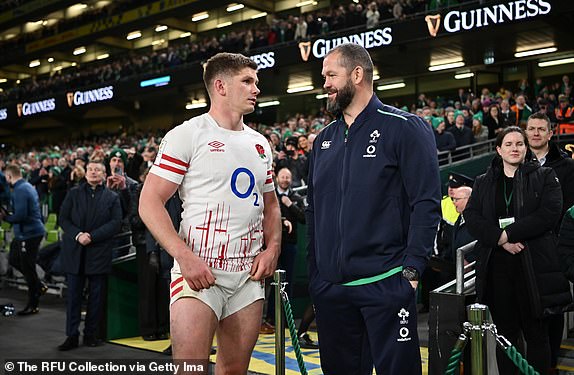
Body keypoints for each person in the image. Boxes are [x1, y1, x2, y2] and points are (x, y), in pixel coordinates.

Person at [138, 52, 281, 371]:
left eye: (256, 81)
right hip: (200, 272)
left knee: (234, 370)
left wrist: (273, 248)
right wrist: (184, 257)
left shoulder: (260, 143)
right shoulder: (187, 134)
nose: (256, 88)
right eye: (247, 81)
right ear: (220, 86)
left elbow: (271, 205)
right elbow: (149, 203)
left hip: (248, 275)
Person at [306, 43, 441, 374]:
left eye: (331, 75)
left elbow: (426, 202)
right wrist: (316, 277)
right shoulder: (323, 140)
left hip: (387, 283)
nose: (325, 83)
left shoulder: (404, 127)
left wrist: (411, 271)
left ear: (357, 74)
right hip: (332, 290)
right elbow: (314, 212)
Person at [464, 126, 572, 374]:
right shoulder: (483, 182)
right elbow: (471, 216)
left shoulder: (545, 175)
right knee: (505, 336)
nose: (515, 148)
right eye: (509, 144)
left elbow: (549, 213)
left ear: (526, 149)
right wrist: (500, 239)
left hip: (533, 266)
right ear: (498, 149)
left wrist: (507, 234)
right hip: (498, 268)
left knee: (536, 334)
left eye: (520, 144)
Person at [525, 112, 574, 372]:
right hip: (523, 250)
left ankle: (551, 364)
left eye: (540, 129)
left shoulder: (567, 167)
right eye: (531, 128)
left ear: (550, 133)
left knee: (553, 310)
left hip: (553, 251)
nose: (535, 133)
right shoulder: (515, 163)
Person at [57, 160, 122, 350]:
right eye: (90, 169)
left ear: (104, 175)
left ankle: (91, 334)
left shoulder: (112, 197)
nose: (93, 172)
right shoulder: (73, 193)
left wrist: (92, 237)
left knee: (96, 299)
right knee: (73, 299)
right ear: (85, 173)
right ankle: (71, 335)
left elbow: (115, 223)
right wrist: (78, 235)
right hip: (75, 253)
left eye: (98, 170)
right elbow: (63, 218)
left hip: (99, 253)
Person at [2, 164, 46, 316]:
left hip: (30, 234)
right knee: (14, 259)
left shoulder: (20, 190)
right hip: (25, 233)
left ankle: (33, 304)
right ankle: (39, 285)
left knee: (28, 269)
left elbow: (21, 215)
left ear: (9, 176)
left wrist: (5, 217)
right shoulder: (26, 186)